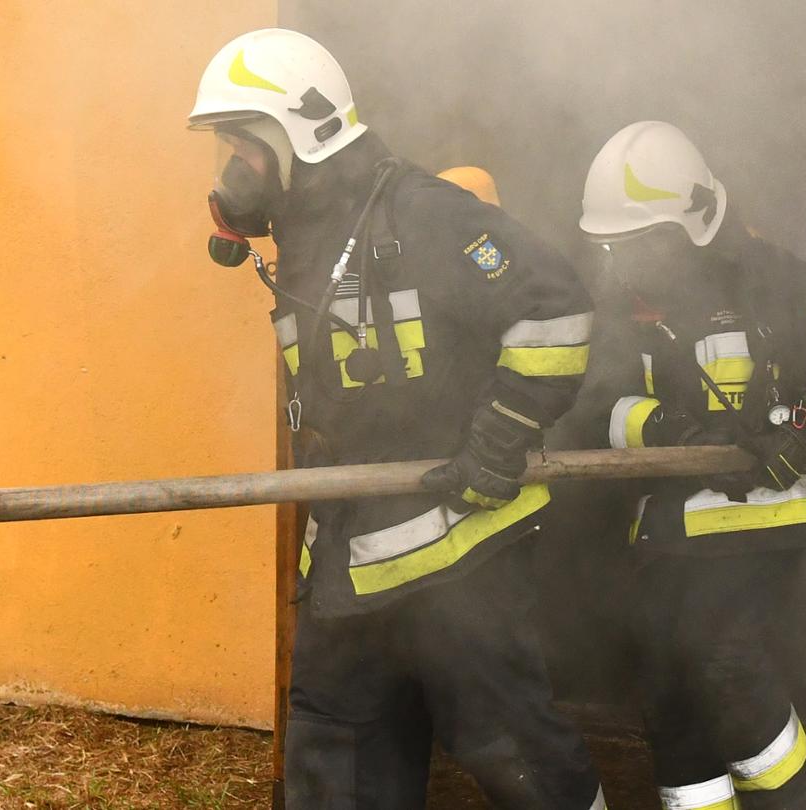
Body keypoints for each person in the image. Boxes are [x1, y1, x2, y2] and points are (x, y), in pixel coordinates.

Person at [189, 28, 607, 810]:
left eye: (243, 148)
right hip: (351, 564)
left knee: (513, 753)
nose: (231, 172)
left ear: (298, 135)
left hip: (462, 562)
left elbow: (556, 310)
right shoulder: (305, 239)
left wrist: (499, 435)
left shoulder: (425, 213)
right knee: (335, 764)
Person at [585, 121, 806, 810]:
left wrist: (805, 431)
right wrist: (658, 426)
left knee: (727, 667)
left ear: (691, 222)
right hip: (666, 534)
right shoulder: (623, 308)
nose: (626, 264)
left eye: (641, 244)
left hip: (765, 519)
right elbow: (594, 404)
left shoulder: (782, 282)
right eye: (616, 247)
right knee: (670, 697)